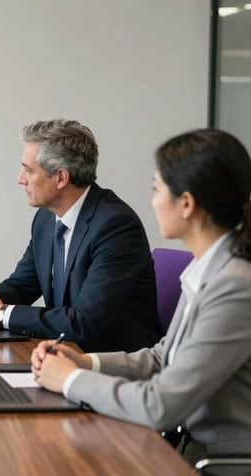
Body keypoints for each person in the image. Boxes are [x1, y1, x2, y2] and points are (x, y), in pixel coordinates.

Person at [31, 128, 251, 464]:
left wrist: (71, 380)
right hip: (181, 445)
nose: (152, 202)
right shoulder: (209, 270)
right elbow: (163, 358)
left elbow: (160, 405)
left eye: (157, 189)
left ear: (187, 204)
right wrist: (84, 362)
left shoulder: (235, 286)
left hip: (213, 461)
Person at [0, 119, 161, 352]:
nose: (20, 179)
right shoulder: (46, 217)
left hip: (112, 366)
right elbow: (23, 285)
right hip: (65, 354)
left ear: (61, 178)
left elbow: (83, 323)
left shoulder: (116, 227)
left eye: (29, 170)